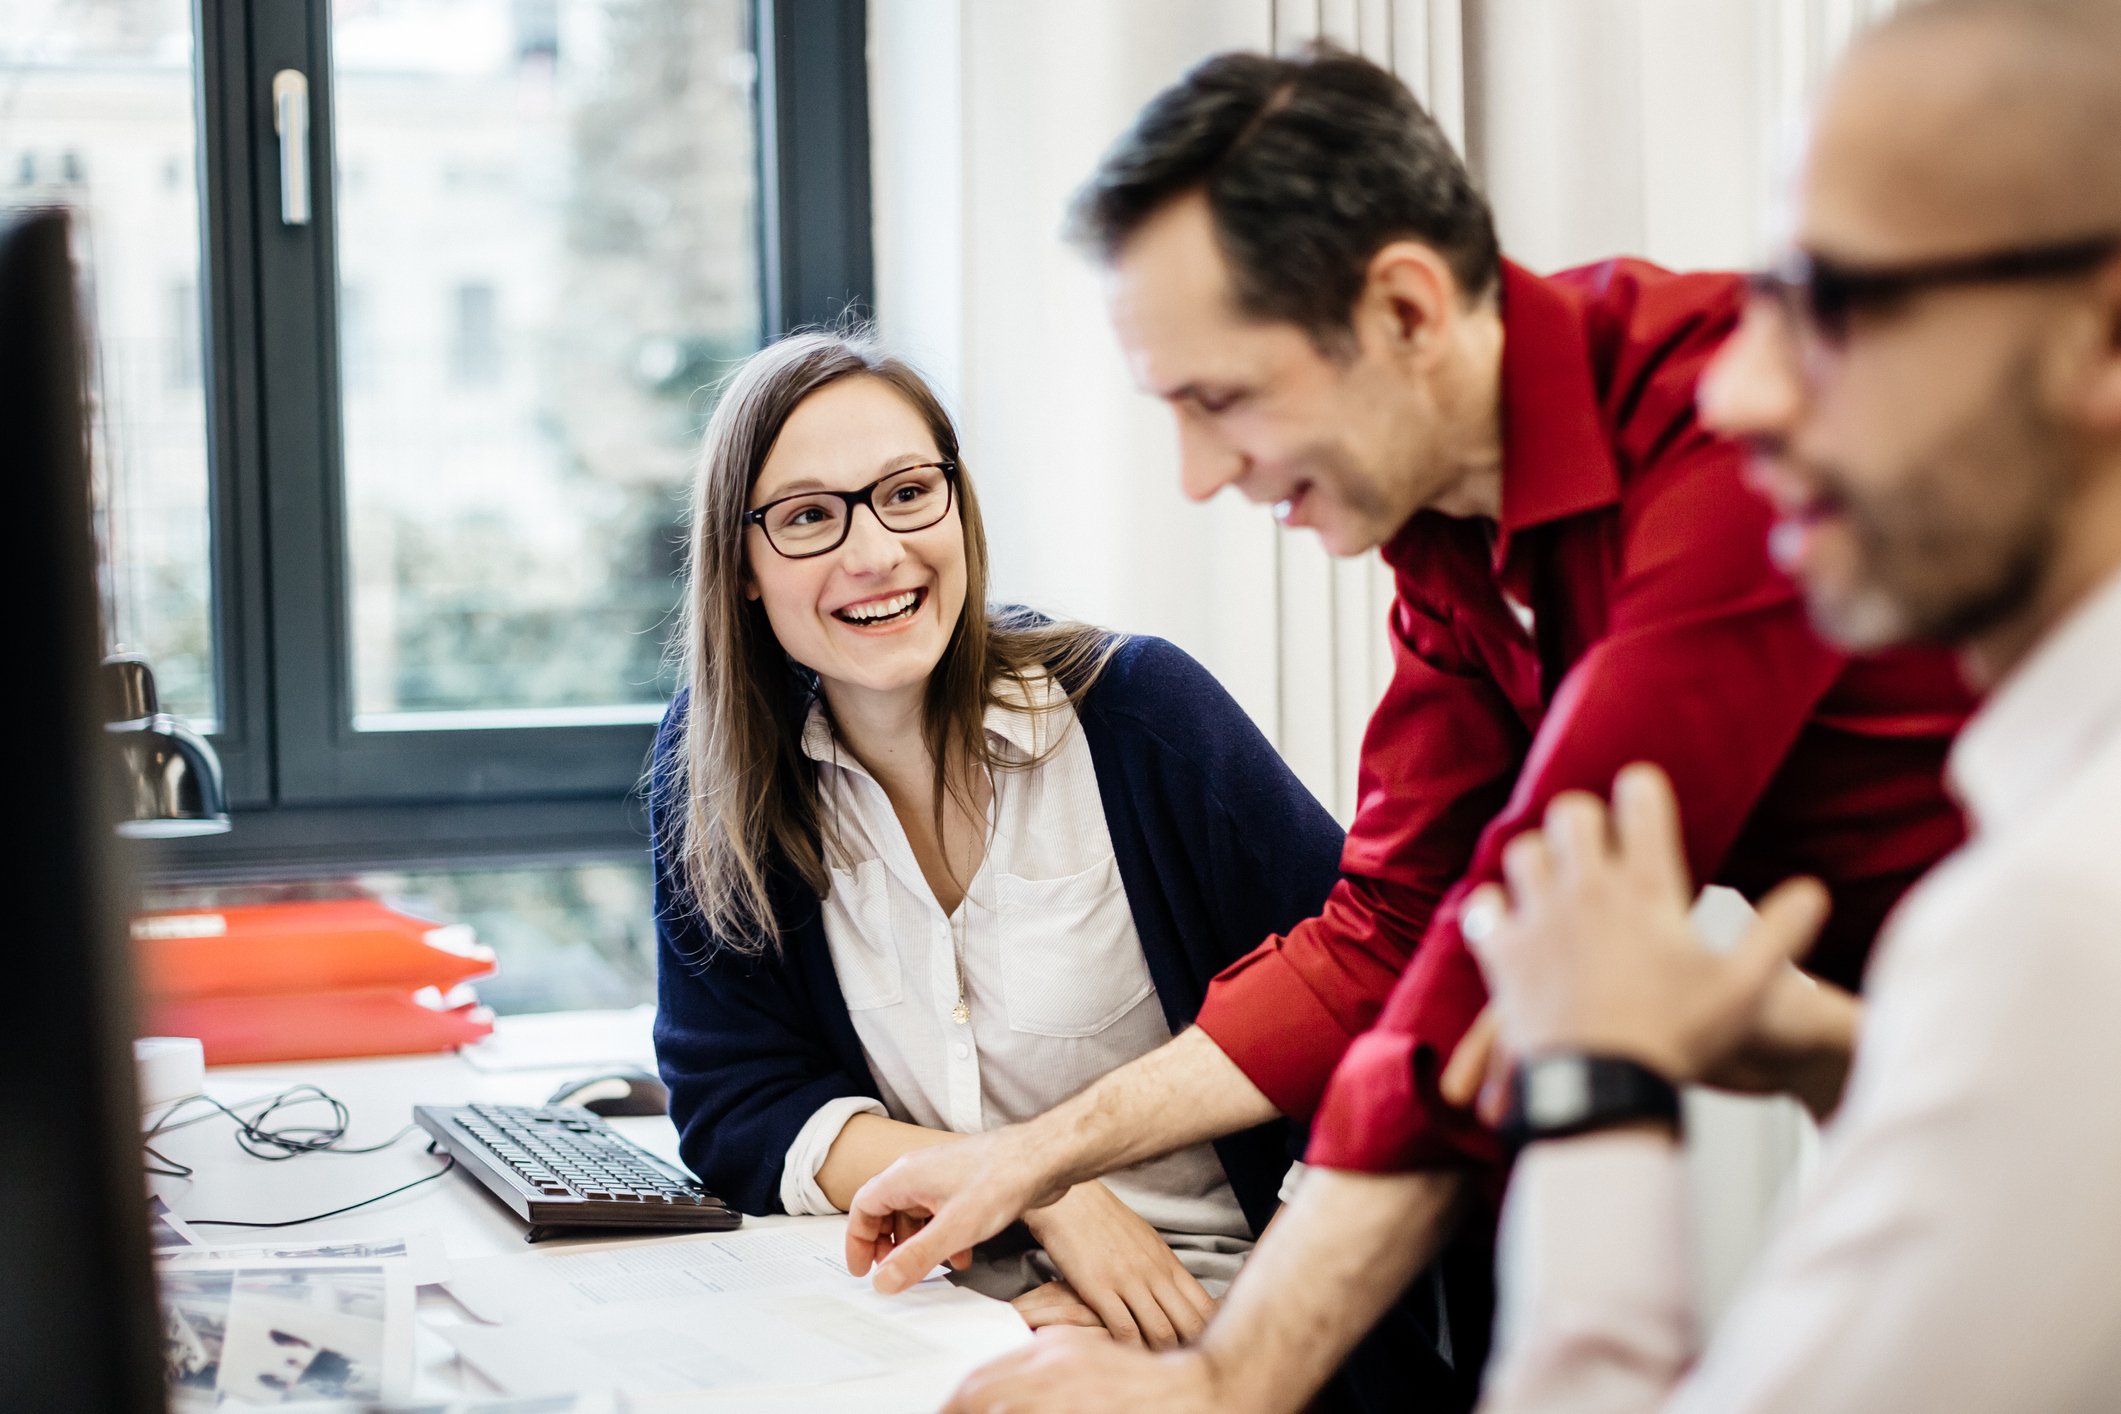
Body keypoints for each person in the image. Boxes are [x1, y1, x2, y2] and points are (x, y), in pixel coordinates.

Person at [842, 45, 1978, 1414]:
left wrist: (1226, 1382)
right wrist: (1031, 1156)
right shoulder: (1451, 540)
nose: (1204, 477)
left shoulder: (1720, 438)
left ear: (1403, 308)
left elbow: (1484, 962)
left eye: (1223, 400)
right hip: (1949, 1069)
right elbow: (1385, 927)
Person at [1453, 1, 2121, 1408]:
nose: (1743, 394)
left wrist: (1595, 1081)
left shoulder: (2058, 923)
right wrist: (1850, 1059)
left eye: (1831, 303)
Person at [647, 331, 1350, 1354]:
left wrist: (1252, 1334)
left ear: (957, 503)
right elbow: (733, 1100)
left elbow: (1373, 1016)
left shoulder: (1142, 717)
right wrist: (1029, 1182)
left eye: (904, 492)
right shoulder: (715, 767)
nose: (874, 552)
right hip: (954, 1315)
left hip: (1229, 1317)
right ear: (742, 568)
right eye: (807, 517)